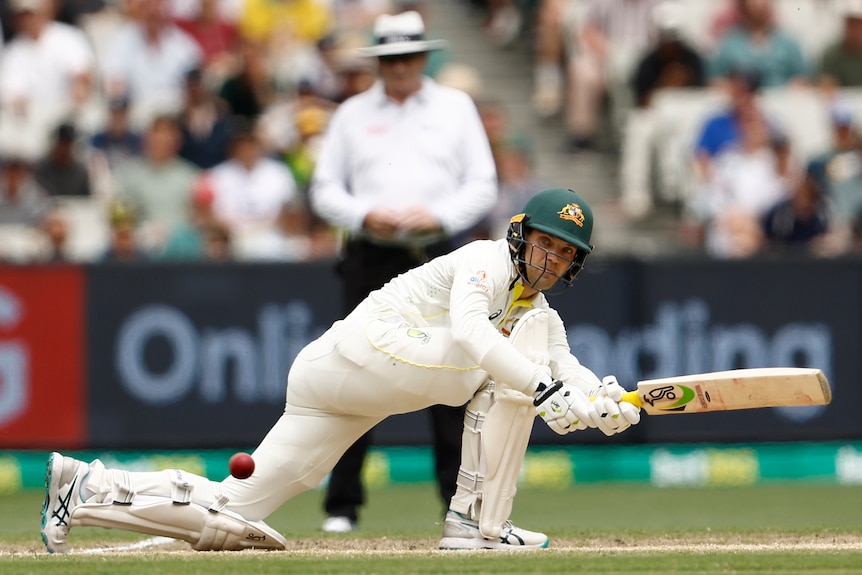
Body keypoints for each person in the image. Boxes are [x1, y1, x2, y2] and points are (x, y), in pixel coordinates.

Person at [40, 187, 641, 553]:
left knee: (234, 511)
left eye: (566, 254)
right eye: (546, 243)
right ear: (520, 237)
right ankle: (478, 522)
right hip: (362, 349)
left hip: (338, 388)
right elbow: (473, 336)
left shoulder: (537, 314)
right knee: (504, 363)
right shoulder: (484, 262)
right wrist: (546, 389)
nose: (552, 259)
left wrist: (602, 405)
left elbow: (564, 365)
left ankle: (84, 490)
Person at [308, 10, 498, 533]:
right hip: (371, 252)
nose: (399, 67)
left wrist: (439, 216)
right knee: (353, 372)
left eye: (408, 56)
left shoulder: (455, 107)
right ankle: (342, 505)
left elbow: (482, 183)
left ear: (424, 57)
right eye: (390, 58)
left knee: (453, 377)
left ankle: (459, 505)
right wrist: (363, 215)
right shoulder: (350, 113)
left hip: (436, 252)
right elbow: (325, 189)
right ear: (379, 61)